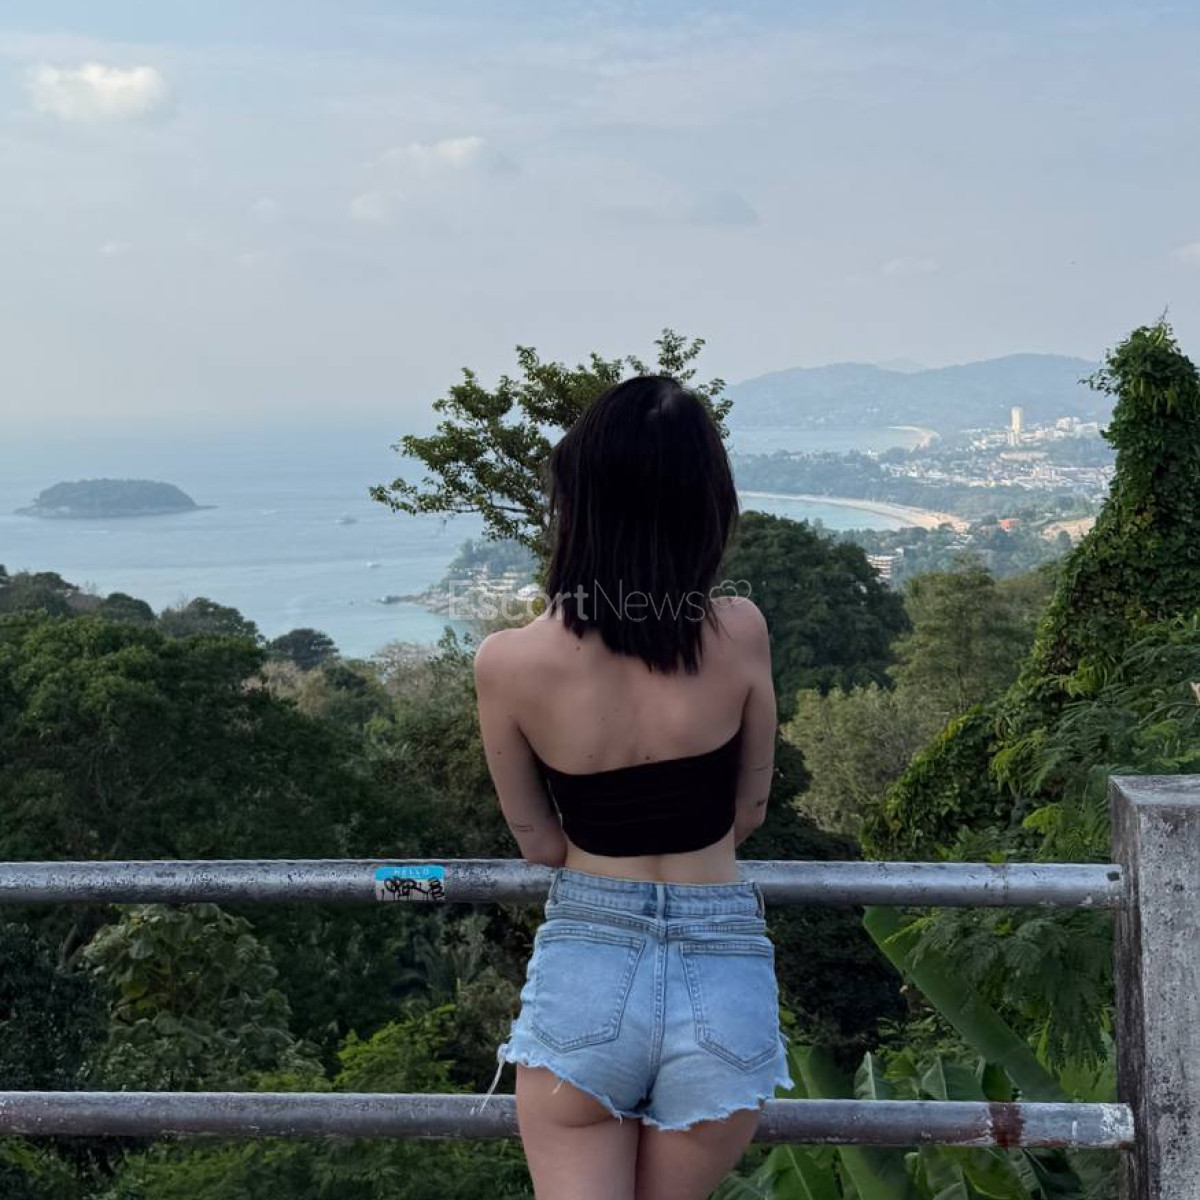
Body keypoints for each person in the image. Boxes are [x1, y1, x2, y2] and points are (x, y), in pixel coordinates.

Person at [473, 374, 791, 1199]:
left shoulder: (509, 663)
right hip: (723, 972)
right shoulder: (742, 632)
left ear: (577, 504)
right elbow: (748, 811)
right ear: (707, 505)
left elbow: (539, 844)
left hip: (589, 962)